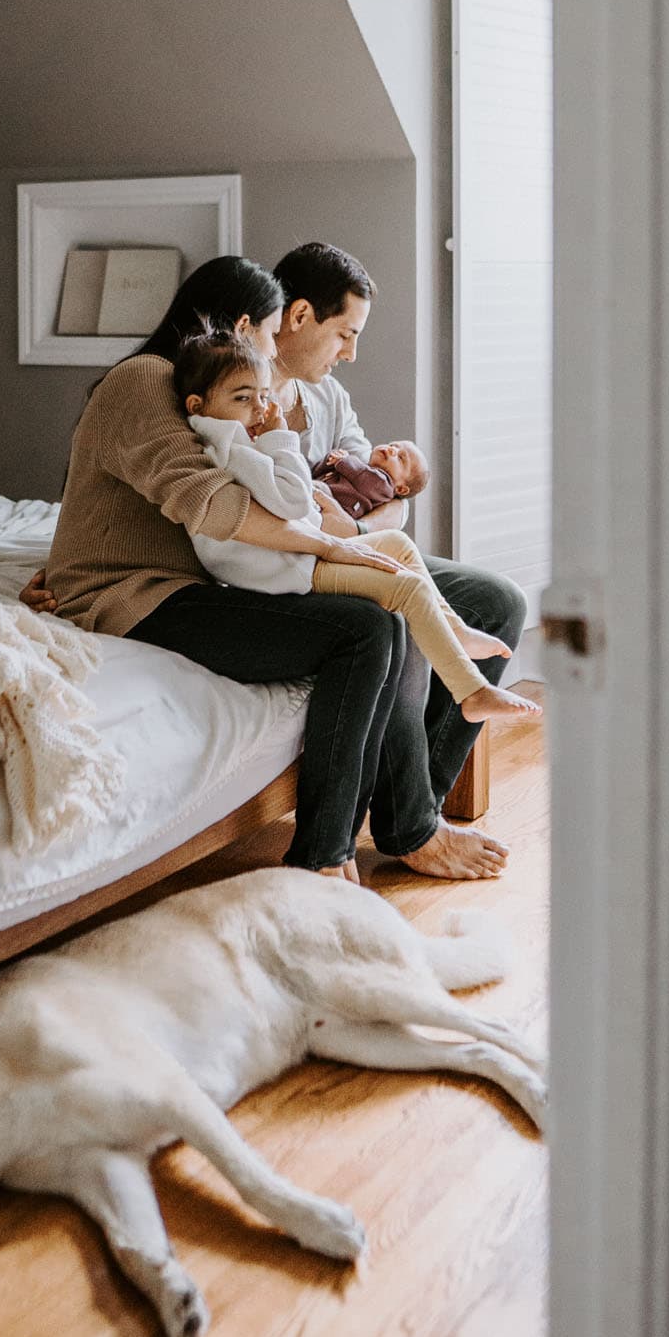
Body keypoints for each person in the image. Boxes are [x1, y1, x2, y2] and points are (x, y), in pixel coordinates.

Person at [22, 256, 407, 880]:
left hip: (187, 587)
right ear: (241, 325)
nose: (273, 352)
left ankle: (343, 843)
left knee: (380, 618)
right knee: (362, 632)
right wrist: (327, 546)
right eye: (270, 333)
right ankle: (323, 859)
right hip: (137, 598)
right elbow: (210, 503)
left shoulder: (208, 396)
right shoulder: (145, 378)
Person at [268, 241, 530, 881]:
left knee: (500, 600)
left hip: (350, 542)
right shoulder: (241, 391)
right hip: (297, 562)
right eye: (345, 335)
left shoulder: (326, 394)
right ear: (298, 316)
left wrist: (356, 527)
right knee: (395, 604)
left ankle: (416, 808)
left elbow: (393, 504)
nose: (350, 353)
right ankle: (413, 828)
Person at [175, 322, 540, 729]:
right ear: (197, 404)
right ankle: (470, 691)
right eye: (244, 398)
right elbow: (294, 498)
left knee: (399, 546)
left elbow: (352, 483)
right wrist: (280, 438)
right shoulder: (232, 448)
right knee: (407, 587)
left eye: (262, 396)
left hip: (300, 550)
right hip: (284, 567)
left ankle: (454, 628)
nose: (260, 409)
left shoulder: (248, 431)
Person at [313, 438, 429, 521]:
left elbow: (364, 477)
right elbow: (319, 472)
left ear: (401, 489)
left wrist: (343, 461)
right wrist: (330, 460)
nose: (392, 450)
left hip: (338, 512)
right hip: (321, 497)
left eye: (400, 458)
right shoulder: (356, 467)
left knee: (317, 488)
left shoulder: (384, 487)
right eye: (392, 445)